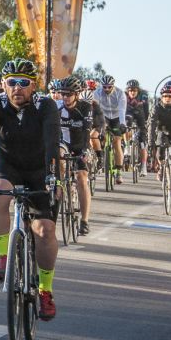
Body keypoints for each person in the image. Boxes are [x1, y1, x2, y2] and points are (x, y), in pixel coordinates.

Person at [0, 58, 61, 321]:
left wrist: (53, 178)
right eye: (12, 83)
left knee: (44, 230)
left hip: (39, 168)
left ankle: (45, 290)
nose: (17, 88)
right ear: (3, 84)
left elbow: (52, 143)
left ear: (34, 86)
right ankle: (2, 255)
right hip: (7, 164)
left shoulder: (46, 105)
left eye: (24, 83)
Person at [52, 76, 98, 235]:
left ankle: (84, 221)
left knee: (82, 178)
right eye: (63, 94)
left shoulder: (85, 107)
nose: (65, 97)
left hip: (80, 145)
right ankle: (61, 188)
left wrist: (85, 151)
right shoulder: (56, 107)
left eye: (69, 94)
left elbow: (87, 131)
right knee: (57, 158)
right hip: (63, 144)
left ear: (77, 94)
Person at [91, 75, 127, 184]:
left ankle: (118, 171)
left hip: (116, 117)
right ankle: (101, 157)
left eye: (109, 87)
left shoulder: (120, 94)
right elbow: (95, 109)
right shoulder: (96, 93)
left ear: (113, 86)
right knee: (97, 136)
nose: (106, 89)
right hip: (104, 117)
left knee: (117, 141)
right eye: (104, 87)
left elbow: (122, 110)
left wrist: (122, 124)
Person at [124, 79, 150, 174]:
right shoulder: (124, 95)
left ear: (138, 90)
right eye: (130, 90)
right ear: (127, 90)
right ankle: (127, 146)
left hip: (140, 114)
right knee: (126, 124)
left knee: (142, 142)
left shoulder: (143, 95)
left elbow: (146, 109)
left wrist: (147, 122)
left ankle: (143, 166)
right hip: (129, 113)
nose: (132, 92)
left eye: (134, 90)